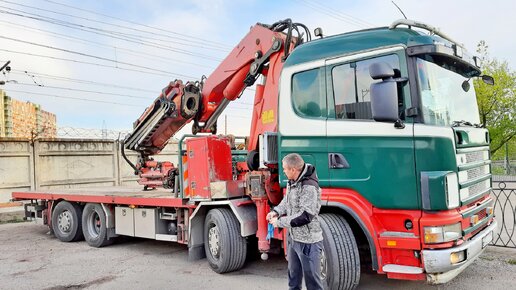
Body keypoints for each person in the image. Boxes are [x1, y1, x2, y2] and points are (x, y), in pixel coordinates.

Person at [267, 153, 323, 290]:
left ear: (293, 169)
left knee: (313, 283)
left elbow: (305, 216)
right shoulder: (293, 181)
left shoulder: (308, 186)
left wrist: (279, 222)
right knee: (293, 279)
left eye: (285, 169)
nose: (284, 172)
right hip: (293, 239)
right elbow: (287, 202)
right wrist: (276, 211)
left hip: (309, 242)